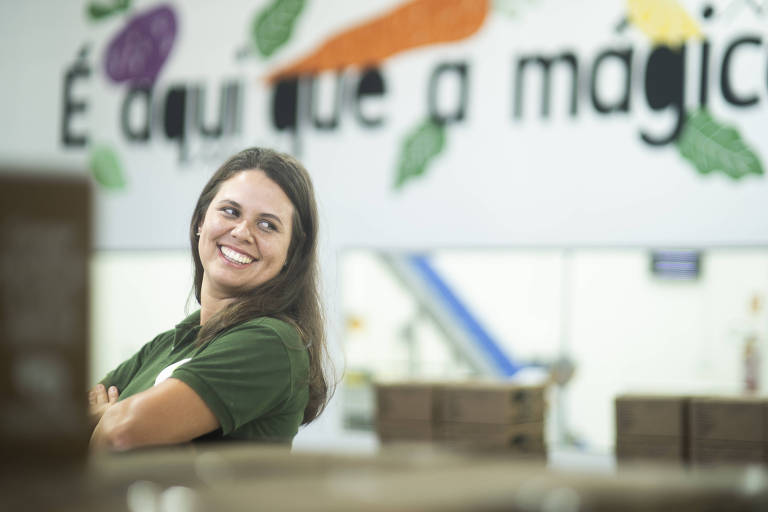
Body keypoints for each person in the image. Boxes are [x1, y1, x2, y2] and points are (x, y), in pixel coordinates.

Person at [88, 147, 331, 450]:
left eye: (267, 225)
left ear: (291, 254)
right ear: (201, 220)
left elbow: (119, 433)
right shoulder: (177, 340)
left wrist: (111, 418)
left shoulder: (272, 343)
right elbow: (65, 422)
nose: (242, 232)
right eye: (230, 211)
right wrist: (103, 423)